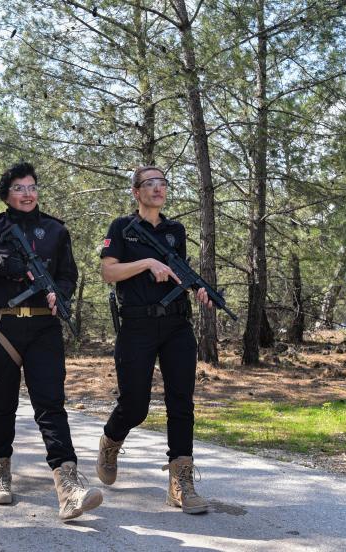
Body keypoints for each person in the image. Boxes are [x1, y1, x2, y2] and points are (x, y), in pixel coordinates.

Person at [0, 162, 103, 522]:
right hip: (2, 327)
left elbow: (68, 276)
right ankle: (1, 472)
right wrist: (1, 263)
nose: (28, 193)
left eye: (32, 187)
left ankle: (68, 487)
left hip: (43, 328)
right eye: (20, 188)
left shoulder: (55, 229)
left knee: (51, 405)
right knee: (1, 404)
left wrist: (60, 294)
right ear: (6, 194)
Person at [96, 165, 214, 514]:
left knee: (181, 402)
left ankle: (181, 483)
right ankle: (110, 441)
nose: (158, 188)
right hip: (137, 325)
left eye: (162, 182)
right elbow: (108, 271)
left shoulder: (175, 230)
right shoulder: (121, 228)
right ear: (136, 192)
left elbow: (179, 273)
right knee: (135, 405)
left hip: (177, 324)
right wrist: (147, 262)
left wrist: (197, 289)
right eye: (150, 183)